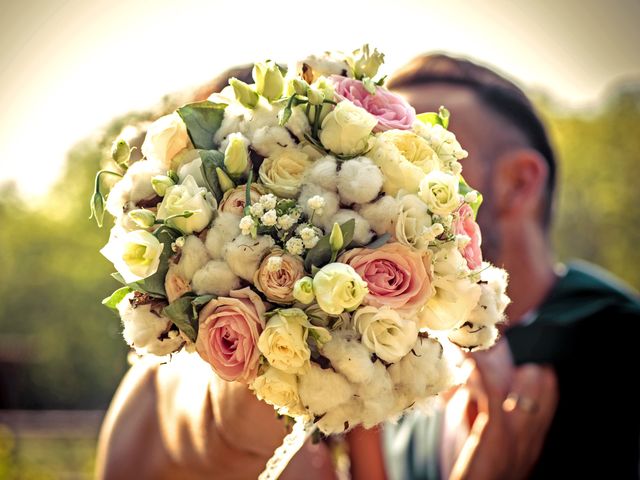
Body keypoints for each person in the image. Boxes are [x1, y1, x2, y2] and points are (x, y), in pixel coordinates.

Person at [381, 53, 640, 479]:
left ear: (518, 183)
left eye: (416, 161)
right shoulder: (399, 383)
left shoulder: (622, 351)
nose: (377, 191)